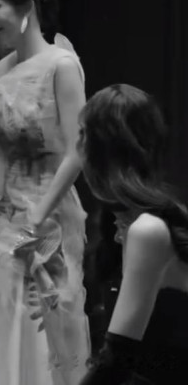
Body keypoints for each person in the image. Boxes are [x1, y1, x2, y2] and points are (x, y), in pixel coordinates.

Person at [0, 0, 91, 385]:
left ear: (26, 6)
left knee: (43, 317)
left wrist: (39, 214)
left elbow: (77, 149)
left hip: (49, 212)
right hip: (6, 216)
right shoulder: (0, 71)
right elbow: (1, 152)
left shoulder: (61, 65)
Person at [77, 84, 188, 384]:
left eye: (82, 134)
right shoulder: (122, 225)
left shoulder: (147, 230)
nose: (75, 147)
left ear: (102, 149)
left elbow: (118, 360)